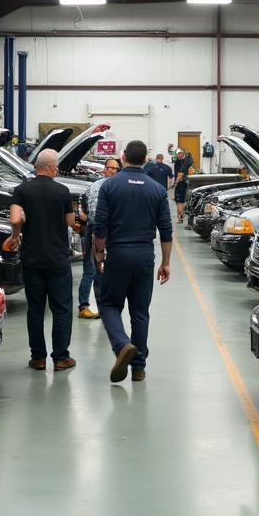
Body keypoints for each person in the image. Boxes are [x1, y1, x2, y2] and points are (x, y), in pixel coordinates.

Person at [93, 140, 173, 384]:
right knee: (140, 312)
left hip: (118, 253)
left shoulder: (110, 185)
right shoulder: (157, 189)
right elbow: (166, 229)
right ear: (146, 159)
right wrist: (166, 263)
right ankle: (138, 367)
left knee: (108, 303)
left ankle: (122, 345)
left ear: (123, 156)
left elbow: (100, 225)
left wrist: (99, 254)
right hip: (145, 255)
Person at [9, 149, 76, 371]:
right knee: (62, 309)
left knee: (35, 309)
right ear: (50, 167)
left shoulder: (21, 190)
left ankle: (38, 358)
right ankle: (60, 358)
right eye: (56, 167)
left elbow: (15, 218)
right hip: (57, 259)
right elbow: (70, 222)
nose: (57, 170)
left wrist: (15, 236)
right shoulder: (63, 191)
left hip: (32, 259)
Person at [76, 157, 120, 319]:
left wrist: (83, 216)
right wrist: (86, 218)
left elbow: (82, 204)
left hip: (103, 232)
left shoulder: (113, 186)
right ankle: (84, 306)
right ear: (104, 169)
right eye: (109, 167)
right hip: (97, 232)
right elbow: (86, 206)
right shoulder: (97, 186)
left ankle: (102, 307)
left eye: (115, 168)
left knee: (102, 271)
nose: (111, 170)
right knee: (91, 270)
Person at [172, 148, 192, 223]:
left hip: (181, 183)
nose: (179, 155)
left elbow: (181, 173)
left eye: (180, 153)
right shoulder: (178, 161)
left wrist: (175, 183)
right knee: (178, 201)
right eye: (178, 154)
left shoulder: (184, 161)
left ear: (183, 154)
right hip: (180, 183)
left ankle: (180, 218)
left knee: (180, 201)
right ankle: (179, 217)